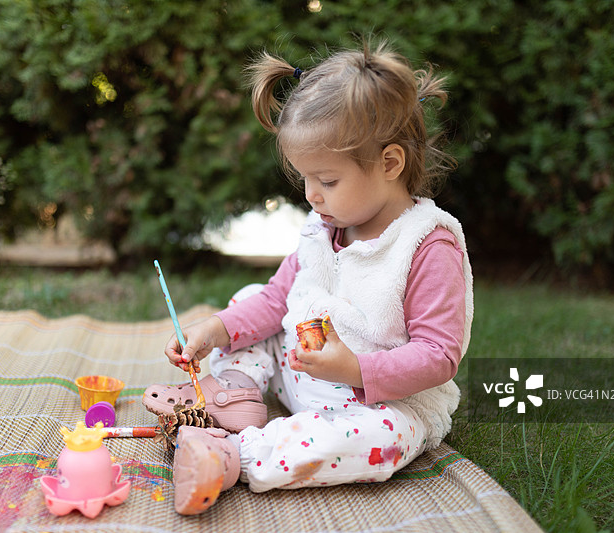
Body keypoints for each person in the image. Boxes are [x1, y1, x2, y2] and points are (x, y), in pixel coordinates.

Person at [143, 40, 473, 516]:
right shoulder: (323, 230)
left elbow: (439, 355)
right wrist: (215, 329)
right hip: (299, 372)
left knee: (385, 440)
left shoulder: (425, 246)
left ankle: (235, 455)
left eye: (328, 181)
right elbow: (277, 299)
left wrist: (356, 370)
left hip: (373, 404)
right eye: (305, 179)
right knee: (252, 298)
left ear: (390, 163)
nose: (312, 195)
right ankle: (235, 391)